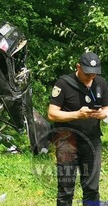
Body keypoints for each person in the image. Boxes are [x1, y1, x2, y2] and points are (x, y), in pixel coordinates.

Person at [48, 52, 108, 206]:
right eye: (87, 74)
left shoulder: (100, 83)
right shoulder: (63, 83)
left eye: (94, 74)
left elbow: (106, 108)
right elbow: (52, 114)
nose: (91, 78)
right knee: (66, 189)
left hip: (92, 141)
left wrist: (102, 114)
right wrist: (77, 115)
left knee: (92, 188)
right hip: (67, 141)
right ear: (78, 67)